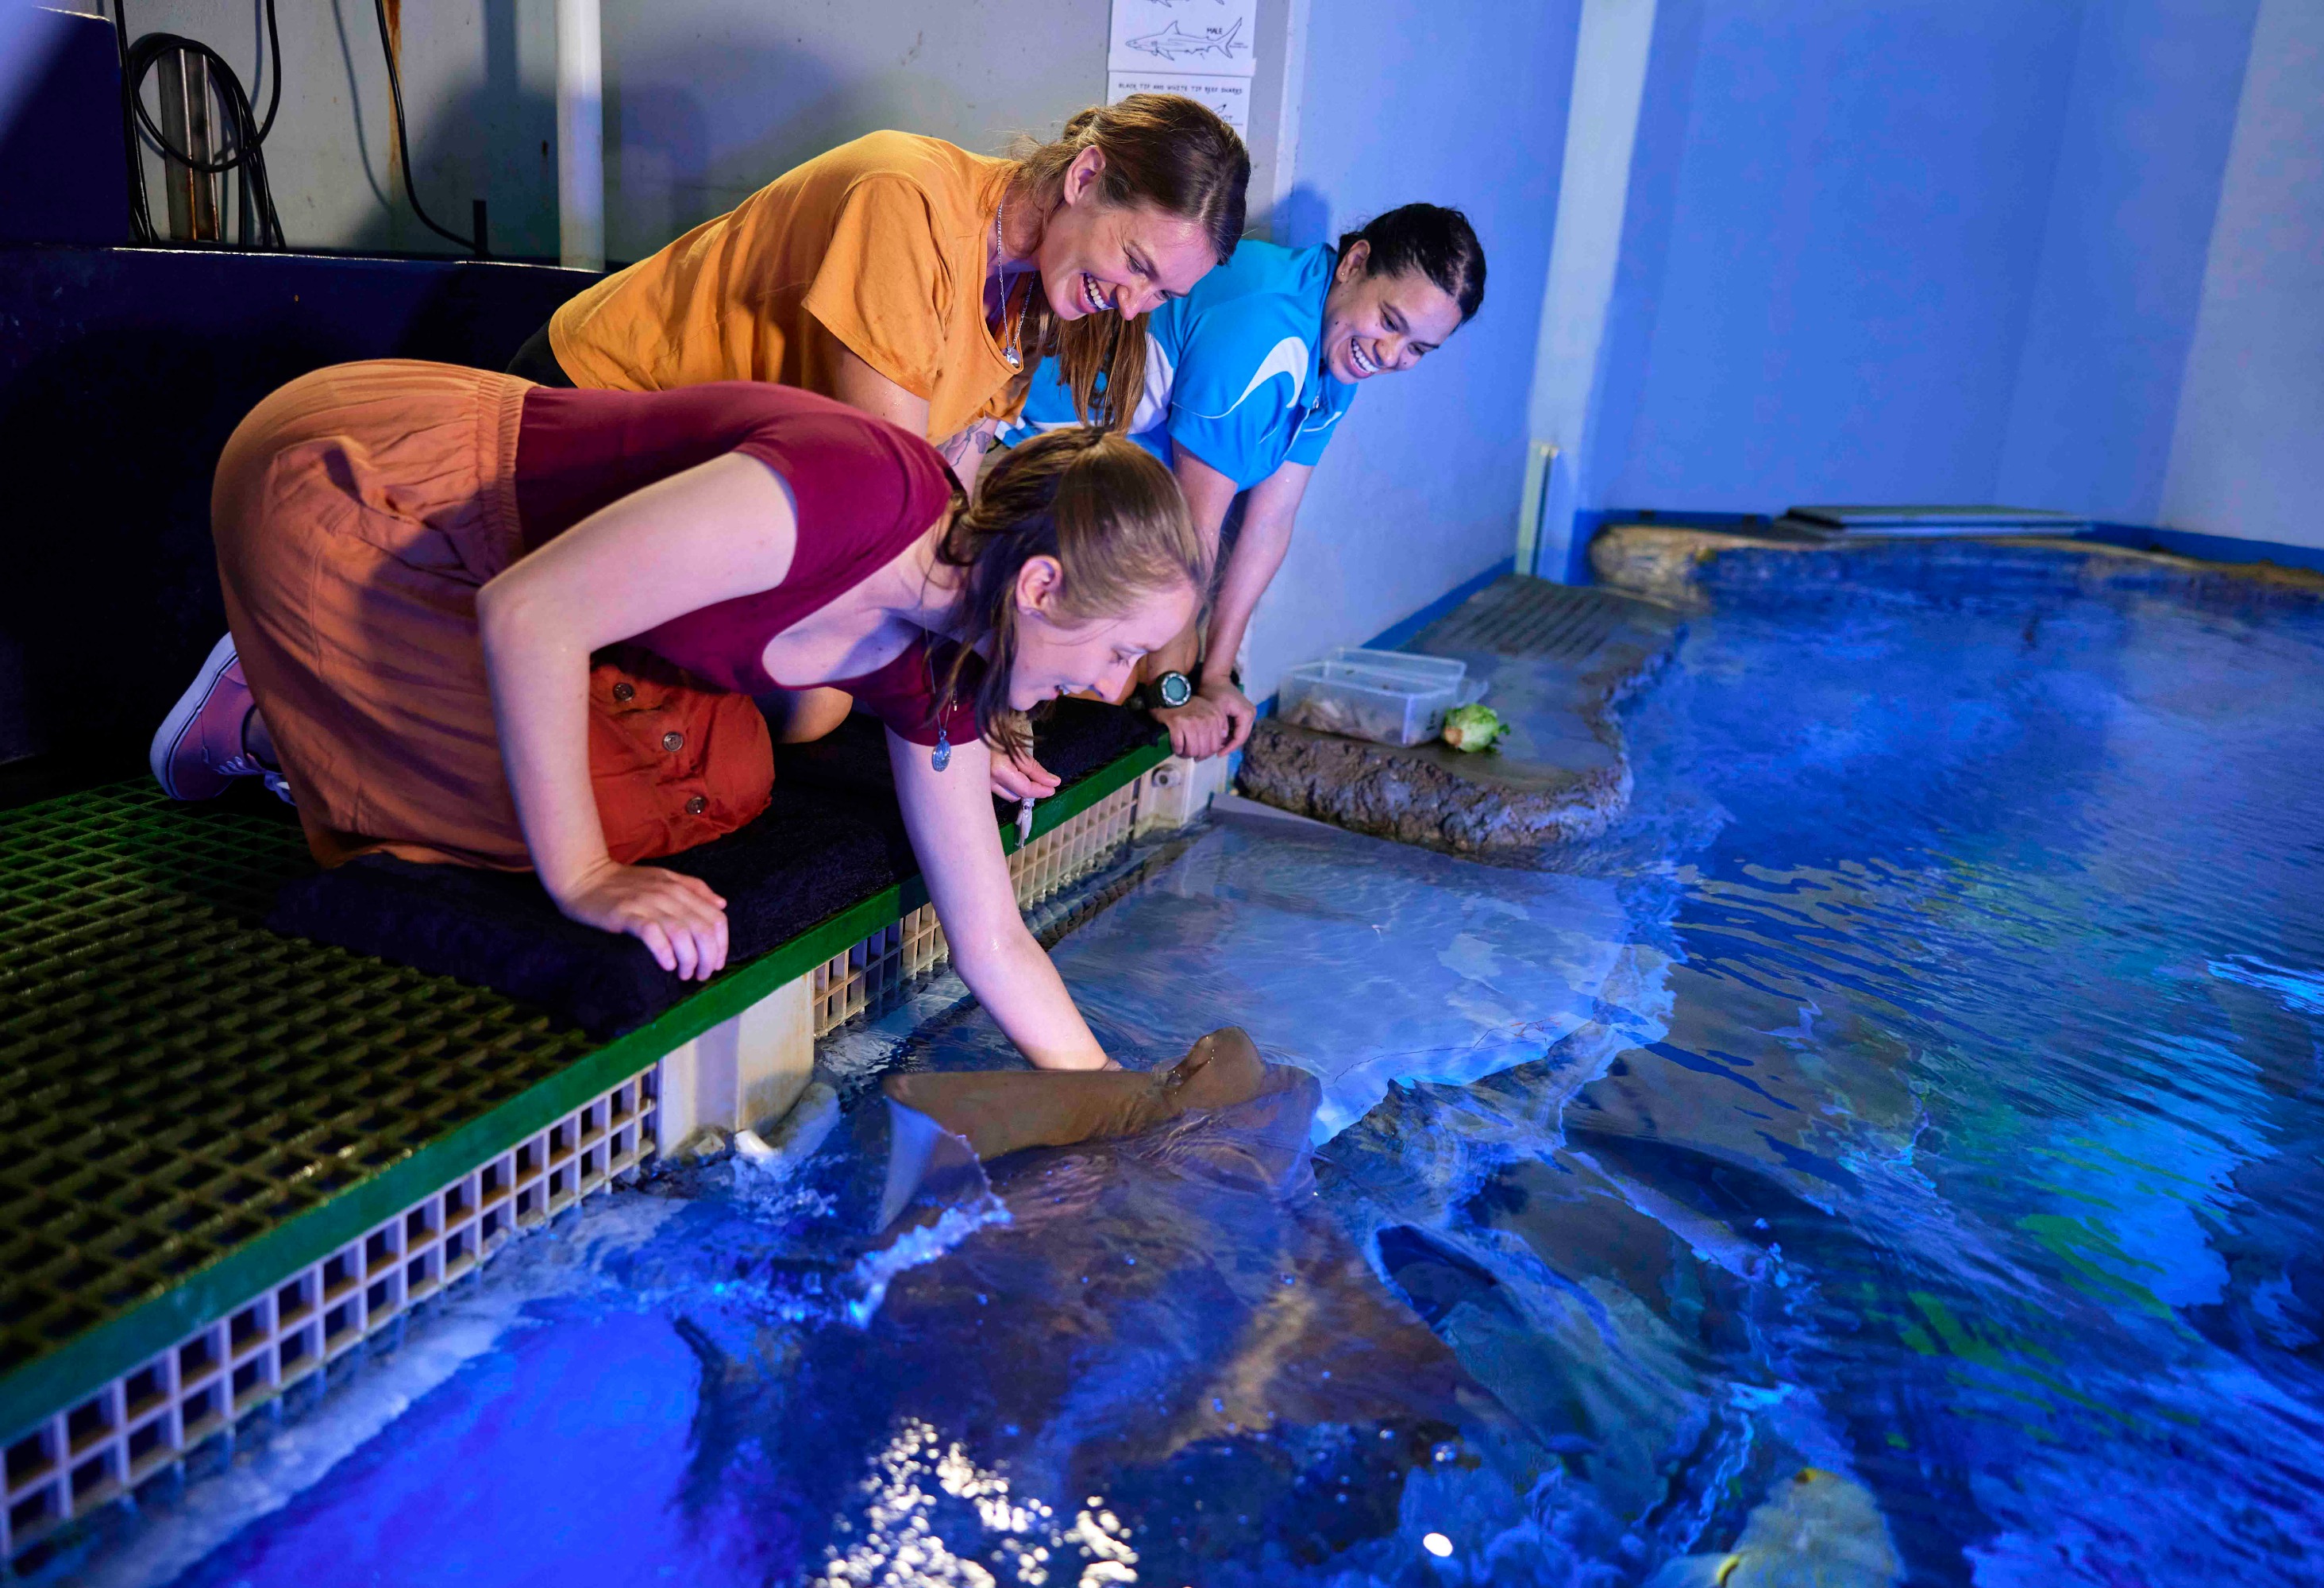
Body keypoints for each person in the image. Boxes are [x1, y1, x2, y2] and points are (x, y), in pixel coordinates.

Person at [150, 360, 1207, 1069]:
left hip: (535, 576)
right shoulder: (858, 495)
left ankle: (351, 695)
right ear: (1037, 589)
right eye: (1118, 651)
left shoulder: (939, 661)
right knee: (591, 829)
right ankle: (269, 710)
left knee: (726, 787)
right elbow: (529, 610)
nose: (1116, 690)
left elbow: (991, 938)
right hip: (370, 486)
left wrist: (1102, 1104)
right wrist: (585, 879)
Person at [509, 96, 1248, 792]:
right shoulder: (905, 199)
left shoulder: (1028, 295)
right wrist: (966, 705)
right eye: (1136, 266)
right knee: (813, 706)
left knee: (826, 698)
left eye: (1160, 296)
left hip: (737, 477)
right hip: (595, 410)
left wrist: (987, 677)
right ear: (1085, 177)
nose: (1131, 305)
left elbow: (953, 499)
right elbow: (900, 515)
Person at [1003, 203, 1486, 761]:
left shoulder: (1338, 343)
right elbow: (1193, 528)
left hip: (1105, 482)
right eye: (1392, 323)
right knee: (1104, 694)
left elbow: (1271, 522)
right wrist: (1172, 686)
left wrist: (1215, 676)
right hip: (1024, 458)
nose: (1390, 355)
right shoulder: (1267, 329)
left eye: (1418, 349)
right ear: (1356, 262)